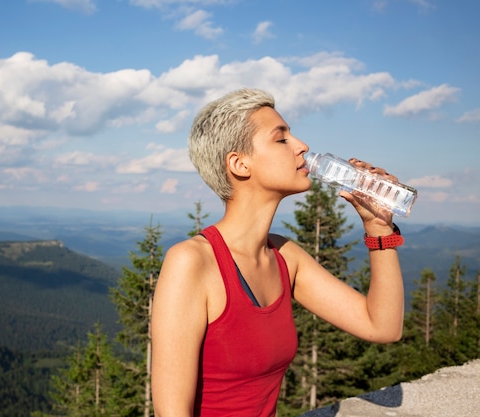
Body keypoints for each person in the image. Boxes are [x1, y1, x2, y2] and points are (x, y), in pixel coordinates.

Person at [150, 88, 405, 417]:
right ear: (240, 164)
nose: (302, 146)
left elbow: (382, 326)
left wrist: (379, 230)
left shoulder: (286, 256)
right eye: (281, 139)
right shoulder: (192, 263)